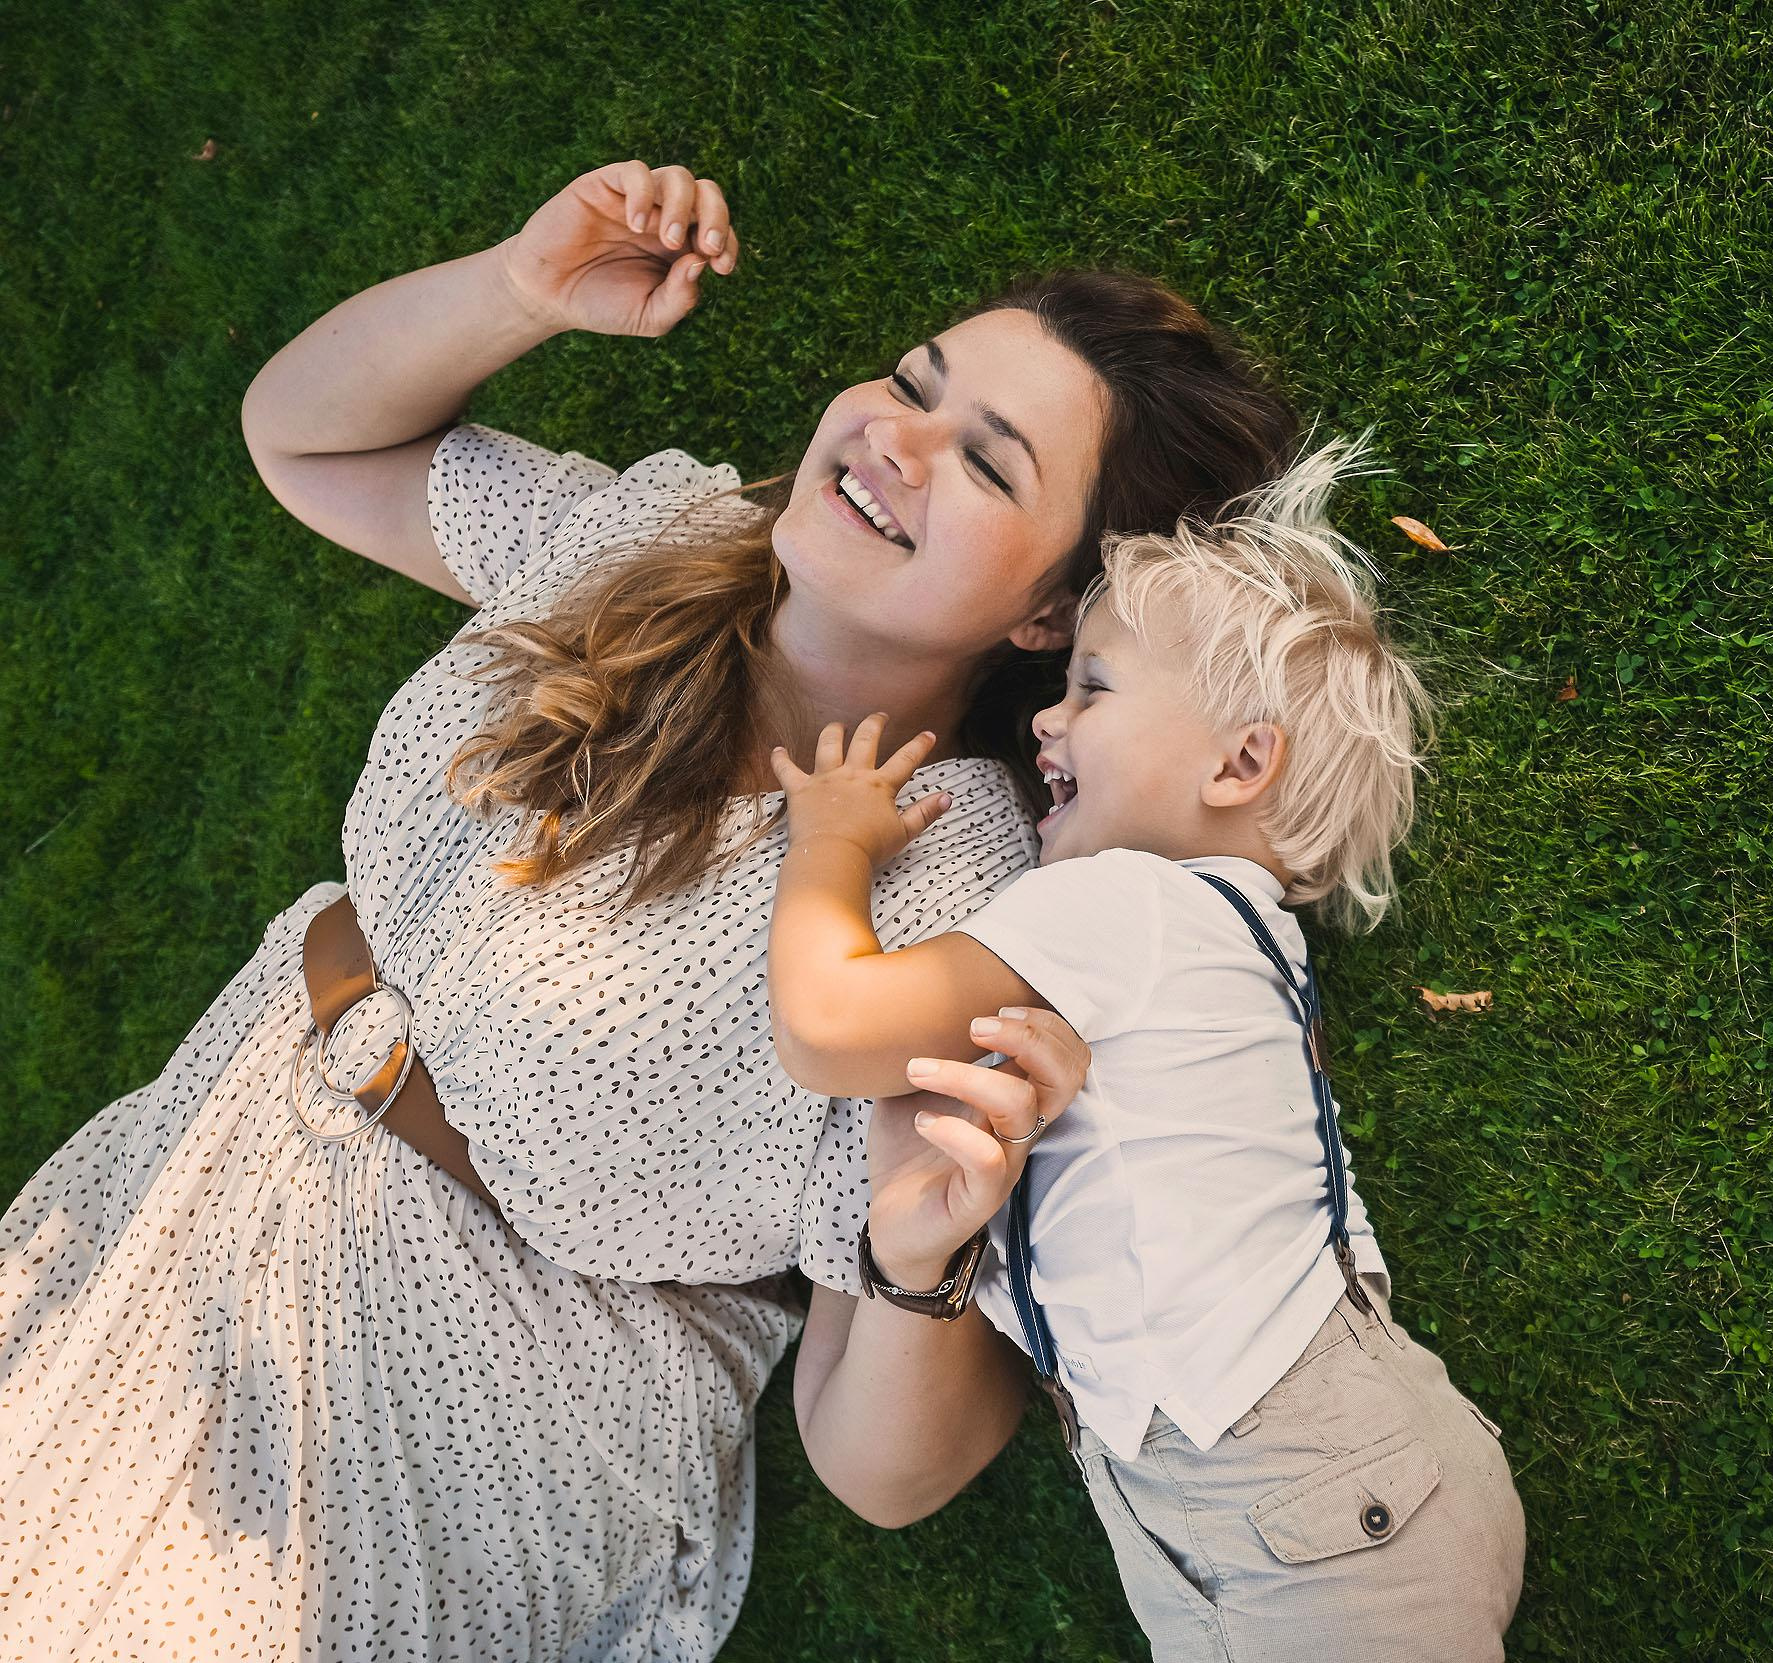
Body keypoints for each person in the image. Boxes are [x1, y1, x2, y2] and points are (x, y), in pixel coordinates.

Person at [0, 158, 1299, 1659]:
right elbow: (306, 439)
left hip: (453, 1410)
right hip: (182, 1197)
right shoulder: (654, 540)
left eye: (988, 465)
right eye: (911, 381)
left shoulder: (955, 893)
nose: (894, 438)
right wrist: (518, 287)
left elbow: (885, 1472)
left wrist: (921, 1260)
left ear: (1050, 614)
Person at [765, 437, 1528, 1660]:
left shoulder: (1128, 901)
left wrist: (829, 844)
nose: (1047, 718)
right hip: (1299, 1484)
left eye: (1095, 688)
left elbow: (829, 1026)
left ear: (1240, 762)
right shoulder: (1231, 938)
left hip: (1298, 1483)